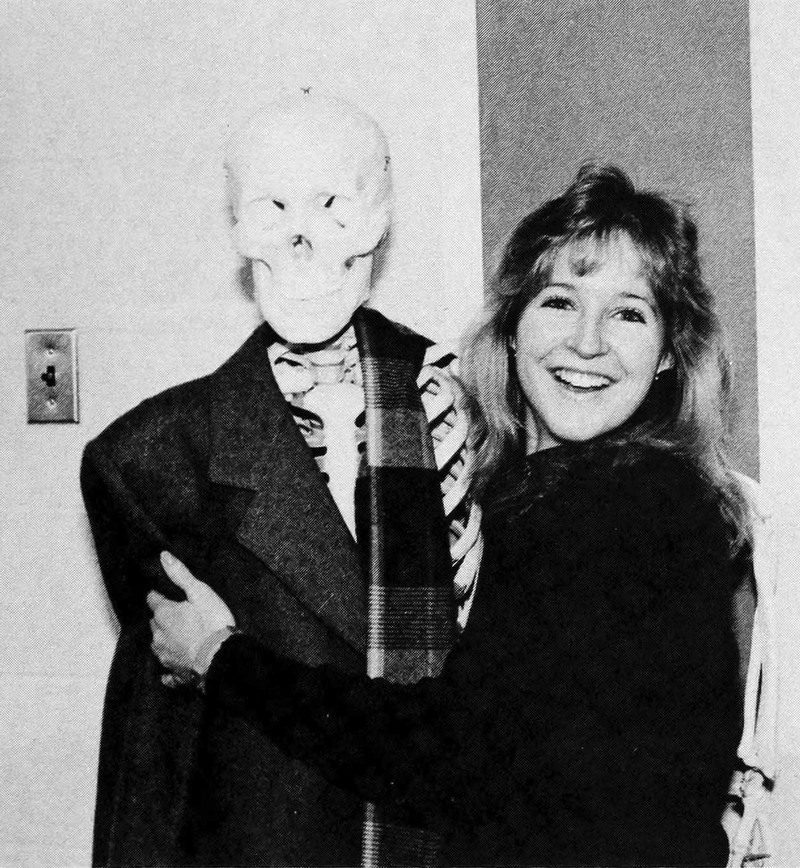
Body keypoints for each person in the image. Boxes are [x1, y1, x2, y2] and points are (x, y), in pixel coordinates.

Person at [149, 165, 751, 866]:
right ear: (514, 328)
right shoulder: (543, 491)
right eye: (560, 302)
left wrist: (219, 656)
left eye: (628, 313)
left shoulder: (631, 505)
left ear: (670, 353)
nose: (587, 343)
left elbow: (449, 753)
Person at [81, 92, 479, 867]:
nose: (301, 240)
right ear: (239, 230)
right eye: (273, 209)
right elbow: (154, 752)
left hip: (437, 832)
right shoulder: (151, 457)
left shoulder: (461, 411)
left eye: (333, 208)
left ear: (378, 224)